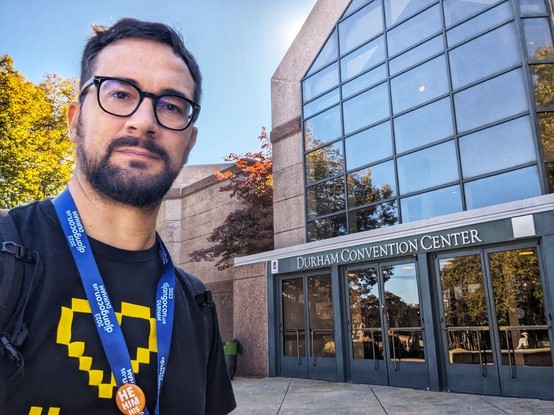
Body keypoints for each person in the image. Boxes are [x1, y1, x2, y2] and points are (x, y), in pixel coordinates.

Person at [0, 18, 236, 414]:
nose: (144, 121)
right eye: (120, 93)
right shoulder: (8, 256)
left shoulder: (196, 304)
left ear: (190, 141)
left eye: (172, 105)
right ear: (75, 120)